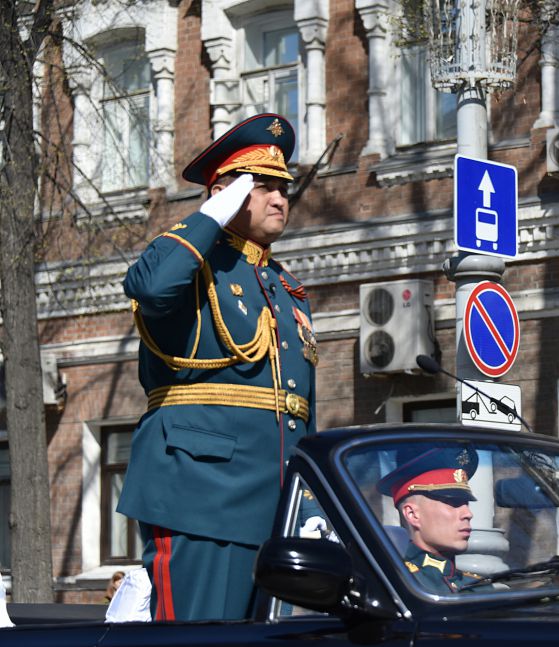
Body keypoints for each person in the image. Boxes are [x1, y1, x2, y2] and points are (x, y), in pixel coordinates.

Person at [117, 113, 316, 621]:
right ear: (226, 193)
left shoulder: (284, 287)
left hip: (277, 509)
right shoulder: (192, 266)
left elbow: (297, 408)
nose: (280, 199)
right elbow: (149, 286)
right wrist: (211, 216)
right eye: (263, 187)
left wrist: (310, 500)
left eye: (284, 188)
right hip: (201, 498)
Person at [377, 446, 482, 594]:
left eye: (466, 504)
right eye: (453, 503)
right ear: (412, 514)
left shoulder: (479, 586)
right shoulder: (396, 585)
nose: (468, 514)